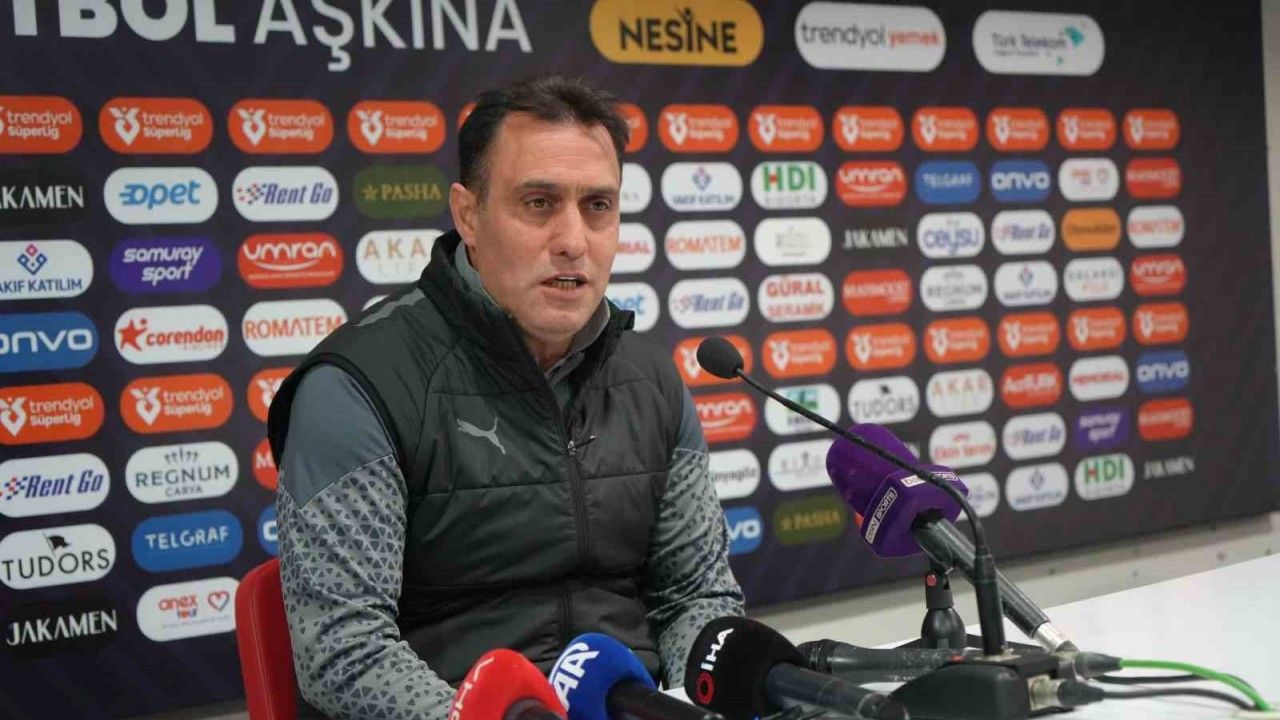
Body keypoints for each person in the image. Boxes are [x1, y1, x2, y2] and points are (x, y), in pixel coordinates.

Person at [267, 74, 745, 719]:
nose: (573, 240)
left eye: (598, 206)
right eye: (539, 203)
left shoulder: (651, 379)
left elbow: (696, 598)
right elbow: (343, 651)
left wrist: (699, 702)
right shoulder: (358, 386)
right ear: (468, 215)